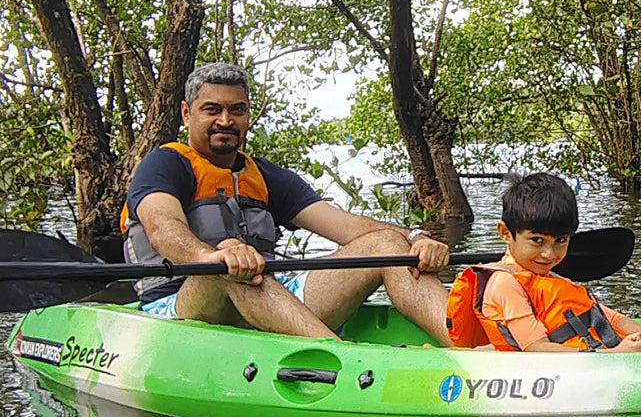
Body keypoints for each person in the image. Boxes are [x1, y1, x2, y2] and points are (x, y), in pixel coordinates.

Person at [120, 62, 451, 344]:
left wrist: (415, 239)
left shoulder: (263, 175)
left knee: (390, 245)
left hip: (266, 295)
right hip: (179, 305)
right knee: (233, 260)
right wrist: (213, 255)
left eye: (237, 110)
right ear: (186, 113)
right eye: (212, 109)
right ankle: (335, 354)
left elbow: (345, 226)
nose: (225, 120)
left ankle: (468, 343)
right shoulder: (164, 165)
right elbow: (163, 230)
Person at [445, 172, 641, 353]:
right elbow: (536, 349)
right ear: (506, 233)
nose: (549, 254)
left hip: (590, 360)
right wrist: (617, 355)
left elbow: (610, 318)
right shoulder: (504, 284)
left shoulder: (550, 278)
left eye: (560, 241)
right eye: (537, 240)